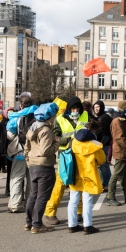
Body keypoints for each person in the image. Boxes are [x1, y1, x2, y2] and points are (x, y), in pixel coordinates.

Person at [43, 96, 88, 225]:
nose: (75, 111)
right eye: (73, 108)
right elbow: (55, 137)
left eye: (77, 108)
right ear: (68, 109)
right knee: (61, 184)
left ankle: (79, 212)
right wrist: (70, 140)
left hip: (81, 154)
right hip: (65, 154)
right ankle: (50, 213)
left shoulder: (85, 116)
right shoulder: (59, 119)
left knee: (79, 183)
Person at [23, 102, 60, 233]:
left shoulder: (32, 128)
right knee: (42, 196)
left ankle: (29, 222)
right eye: (54, 115)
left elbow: (26, 149)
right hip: (44, 166)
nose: (55, 118)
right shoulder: (45, 130)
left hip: (33, 165)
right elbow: (45, 151)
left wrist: (29, 162)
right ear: (50, 116)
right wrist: (57, 143)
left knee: (33, 195)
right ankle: (37, 225)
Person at [68, 121, 105, 234]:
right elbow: (102, 160)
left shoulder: (74, 142)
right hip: (89, 175)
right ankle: (87, 226)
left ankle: (72, 225)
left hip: (75, 174)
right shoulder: (95, 146)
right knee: (87, 201)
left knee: (73, 200)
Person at [6, 93, 37, 213]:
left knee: (17, 178)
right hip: (34, 152)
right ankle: (30, 203)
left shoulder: (16, 117)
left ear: (21, 105)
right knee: (31, 178)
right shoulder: (38, 115)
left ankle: (15, 204)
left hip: (20, 151)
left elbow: (9, 135)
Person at [93, 100, 112, 192]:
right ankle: (102, 183)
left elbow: (107, 133)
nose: (96, 109)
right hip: (97, 144)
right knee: (100, 165)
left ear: (102, 107)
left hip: (103, 144)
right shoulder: (98, 117)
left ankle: (107, 184)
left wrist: (102, 143)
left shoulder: (105, 117)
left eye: (98, 107)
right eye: (95, 107)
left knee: (104, 165)